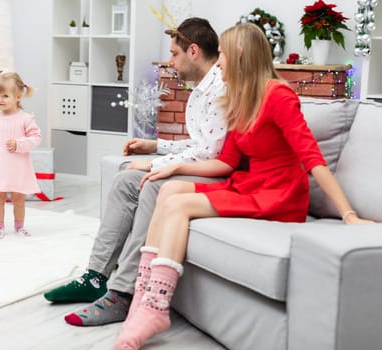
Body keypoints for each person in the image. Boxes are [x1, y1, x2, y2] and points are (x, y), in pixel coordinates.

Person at [112, 22, 376, 350]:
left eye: (222, 53)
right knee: (168, 190)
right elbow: (225, 163)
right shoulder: (242, 99)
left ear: (238, 54)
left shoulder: (278, 95)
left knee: (179, 204)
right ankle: (143, 299)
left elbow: (312, 159)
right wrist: (177, 166)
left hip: (280, 195)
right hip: (251, 185)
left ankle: (155, 307)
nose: (218, 60)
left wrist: (348, 214)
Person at [43, 17, 227, 326]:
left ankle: (123, 294)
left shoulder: (220, 91)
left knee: (147, 180)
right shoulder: (201, 90)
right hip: (202, 164)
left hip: (216, 173)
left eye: (174, 54)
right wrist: (154, 147)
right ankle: (94, 276)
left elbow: (210, 153)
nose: (171, 61)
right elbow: (199, 142)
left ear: (193, 51)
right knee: (126, 177)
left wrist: (155, 164)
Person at [0, 72, 42, 239]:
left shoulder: (26, 119)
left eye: (5, 96)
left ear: (18, 96)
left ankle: (19, 225)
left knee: (18, 197)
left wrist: (19, 144)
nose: (0, 99)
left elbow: (35, 138)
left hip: (18, 167)